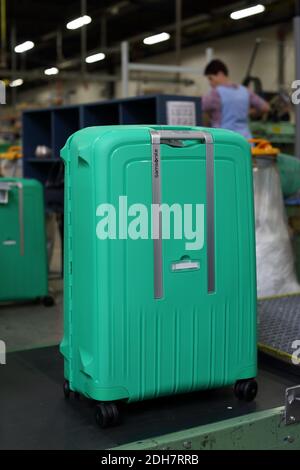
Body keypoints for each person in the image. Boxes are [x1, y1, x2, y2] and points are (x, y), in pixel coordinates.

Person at [202, 59, 270, 139]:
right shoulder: (245, 91)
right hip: (244, 140)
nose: (210, 83)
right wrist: (248, 112)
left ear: (220, 74)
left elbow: (198, 107)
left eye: (210, 78)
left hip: (224, 140)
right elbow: (266, 107)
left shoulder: (215, 93)